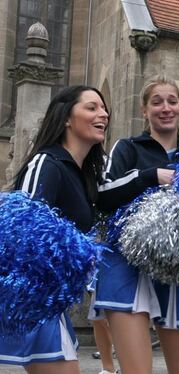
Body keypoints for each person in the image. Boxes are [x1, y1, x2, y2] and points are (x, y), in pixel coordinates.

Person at [94, 75, 179, 374]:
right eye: (157, 102)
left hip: (175, 268)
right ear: (145, 111)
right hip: (125, 263)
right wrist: (151, 176)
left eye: (172, 101)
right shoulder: (127, 148)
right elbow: (102, 196)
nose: (165, 108)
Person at [0, 85, 109, 374]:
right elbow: (21, 227)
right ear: (66, 118)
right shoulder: (46, 162)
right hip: (33, 299)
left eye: (104, 107)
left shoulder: (82, 175)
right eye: (92, 107)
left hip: (49, 302)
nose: (104, 113)